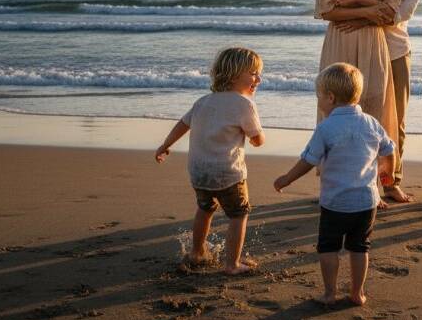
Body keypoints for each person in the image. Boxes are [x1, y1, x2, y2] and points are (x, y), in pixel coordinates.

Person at [311, 0, 422, 204]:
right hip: (343, 42)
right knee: (335, 111)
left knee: (387, 117)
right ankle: (336, 180)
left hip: (392, 46)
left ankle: (388, 182)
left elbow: (399, 11)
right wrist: (358, 1)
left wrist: (355, 2)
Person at [274, 63, 395, 306]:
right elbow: (390, 149)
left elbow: (308, 160)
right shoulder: (371, 123)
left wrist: (286, 179)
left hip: (335, 203)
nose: (318, 100)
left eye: (319, 96)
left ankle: (330, 293)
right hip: (366, 202)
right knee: (360, 247)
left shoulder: (326, 127)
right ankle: (356, 293)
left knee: (328, 247)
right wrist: (387, 173)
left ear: (330, 97)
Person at [154, 47, 265, 274]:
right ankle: (232, 264)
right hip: (228, 173)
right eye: (253, 73)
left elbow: (183, 124)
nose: (258, 79)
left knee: (205, 209)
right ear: (234, 74)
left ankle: (196, 252)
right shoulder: (244, 104)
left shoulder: (203, 101)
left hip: (199, 172)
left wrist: (166, 145)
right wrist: (257, 139)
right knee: (238, 214)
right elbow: (257, 138)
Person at [314, 0, 400, 164]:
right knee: (335, 105)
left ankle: (373, 179)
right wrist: (370, 10)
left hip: (373, 45)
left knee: (374, 105)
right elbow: (326, 11)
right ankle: (334, 176)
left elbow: (391, 13)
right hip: (339, 43)